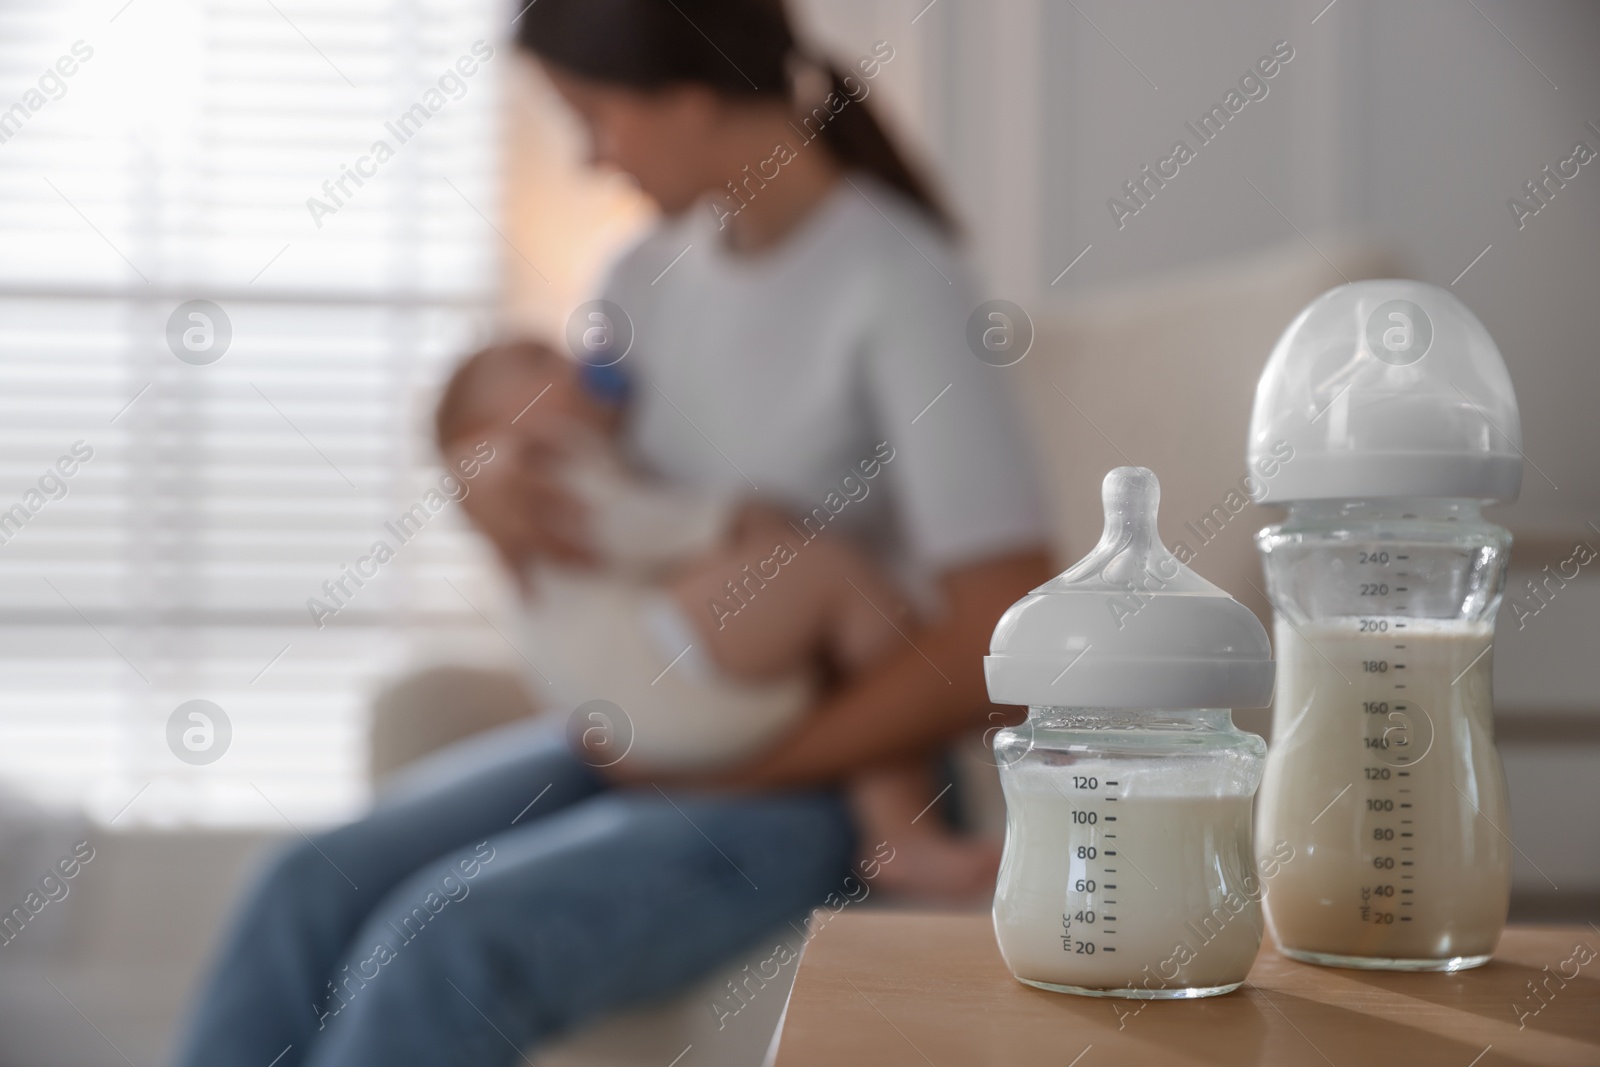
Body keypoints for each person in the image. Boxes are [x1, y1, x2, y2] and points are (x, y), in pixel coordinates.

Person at [173, 1, 1050, 1063]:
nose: (588, 160)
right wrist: (488, 486)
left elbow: (1008, 632)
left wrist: (743, 767)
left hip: (829, 763)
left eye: (591, 116)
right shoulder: (642, 278)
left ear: (685, 98)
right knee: (303, 884)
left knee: (445, 943)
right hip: (657, 722)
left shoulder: (900, 281)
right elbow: (577, 467)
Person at [438, 339, 1002, 900]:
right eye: (537, 362)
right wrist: (732, 519)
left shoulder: (547, 468)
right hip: (663, 672)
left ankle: (899, 830)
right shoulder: (540, 463)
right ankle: (901, 832)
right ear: (488, 426)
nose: (568, 362)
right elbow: (624, 525)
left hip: (637, 718)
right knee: (836, 573)